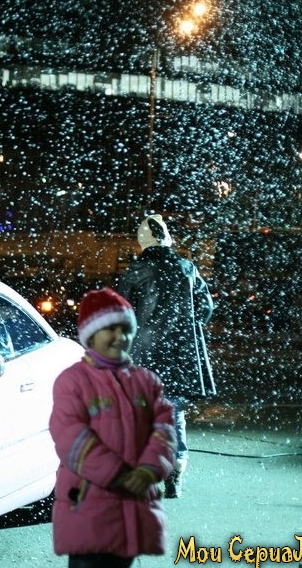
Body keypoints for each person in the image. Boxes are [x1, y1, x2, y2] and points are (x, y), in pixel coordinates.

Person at [49, 288, 176, 568]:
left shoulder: (146, 382)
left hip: (134, 503)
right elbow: (69, 435)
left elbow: (164, 429)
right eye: (111, 329)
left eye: (126, 330)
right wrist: (118, 474)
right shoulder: (73, 381)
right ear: (91, 335)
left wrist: (148, 469)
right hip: (88, 505)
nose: (121, 337)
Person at [117, 213, 214, 498]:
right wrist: (187, 328)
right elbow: (206, 306)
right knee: (174, 411)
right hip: (179, 353)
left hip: (143, 352)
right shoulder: (186, 268)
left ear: (143, 241)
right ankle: (176, 468)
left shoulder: (136, 271)